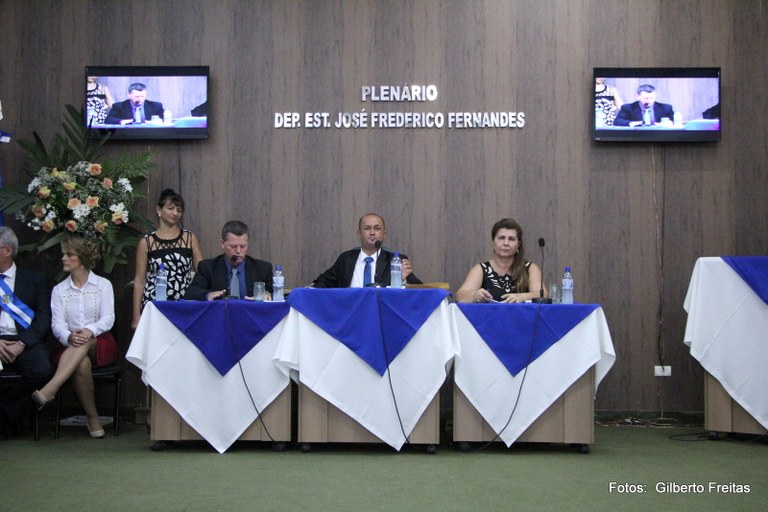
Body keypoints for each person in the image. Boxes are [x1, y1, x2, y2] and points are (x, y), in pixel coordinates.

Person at [32, 236, 115, 438]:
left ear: (82, 259)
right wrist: (69, 337)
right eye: (64, 254)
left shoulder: (103, 285)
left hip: (100, 342)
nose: (64, 258)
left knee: (86, 341)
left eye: (69, 255)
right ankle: (93, 417)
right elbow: (57, 324)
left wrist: (90, 330)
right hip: (70, 346)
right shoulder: (59, 290)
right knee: (82, 364)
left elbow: (108, 318)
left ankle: (51, 388)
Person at [0, 227, 52, 439]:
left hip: (25, 341)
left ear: (7, 251)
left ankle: (5, 416)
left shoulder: (35, 280)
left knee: (42, 369)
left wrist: (21, 343)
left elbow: (43, 319)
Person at [131, 189, 203, 329]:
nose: (175, 213)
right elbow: (140, 281)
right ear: (159, 210)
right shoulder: (146, 242)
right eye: (170, 208)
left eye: (179, 210)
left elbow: (202, 272)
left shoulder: (190, 238)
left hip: (185, 304)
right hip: (155, 303)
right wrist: (136, 316)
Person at [312, 213, 422, 288]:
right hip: (350, 311)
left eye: (377, 228)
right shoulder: (346, 259)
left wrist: (401, 280)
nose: (372, 232)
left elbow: (419, 289)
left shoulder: (396, 260)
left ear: (384, 235)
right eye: (367, 228)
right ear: (359, 234)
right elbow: (321, 283)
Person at [455, 218, 543, 303]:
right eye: (501, 238)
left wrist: (523, 297)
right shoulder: (481, 269)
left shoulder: (530, 268)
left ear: (518, 245)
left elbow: (542, 295)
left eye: (511, 239)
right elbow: (460, 296)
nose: (506, 243)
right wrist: (474, 295)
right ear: (493, 242)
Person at [185, 221, 273, 301]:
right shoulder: (208, 267)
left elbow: (275, 293)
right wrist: (208, 295)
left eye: (243, 246)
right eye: (233, 246)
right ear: (222, 244)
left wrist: (267, 295)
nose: (238, 251)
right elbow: (191, 293)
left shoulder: (263, 268)